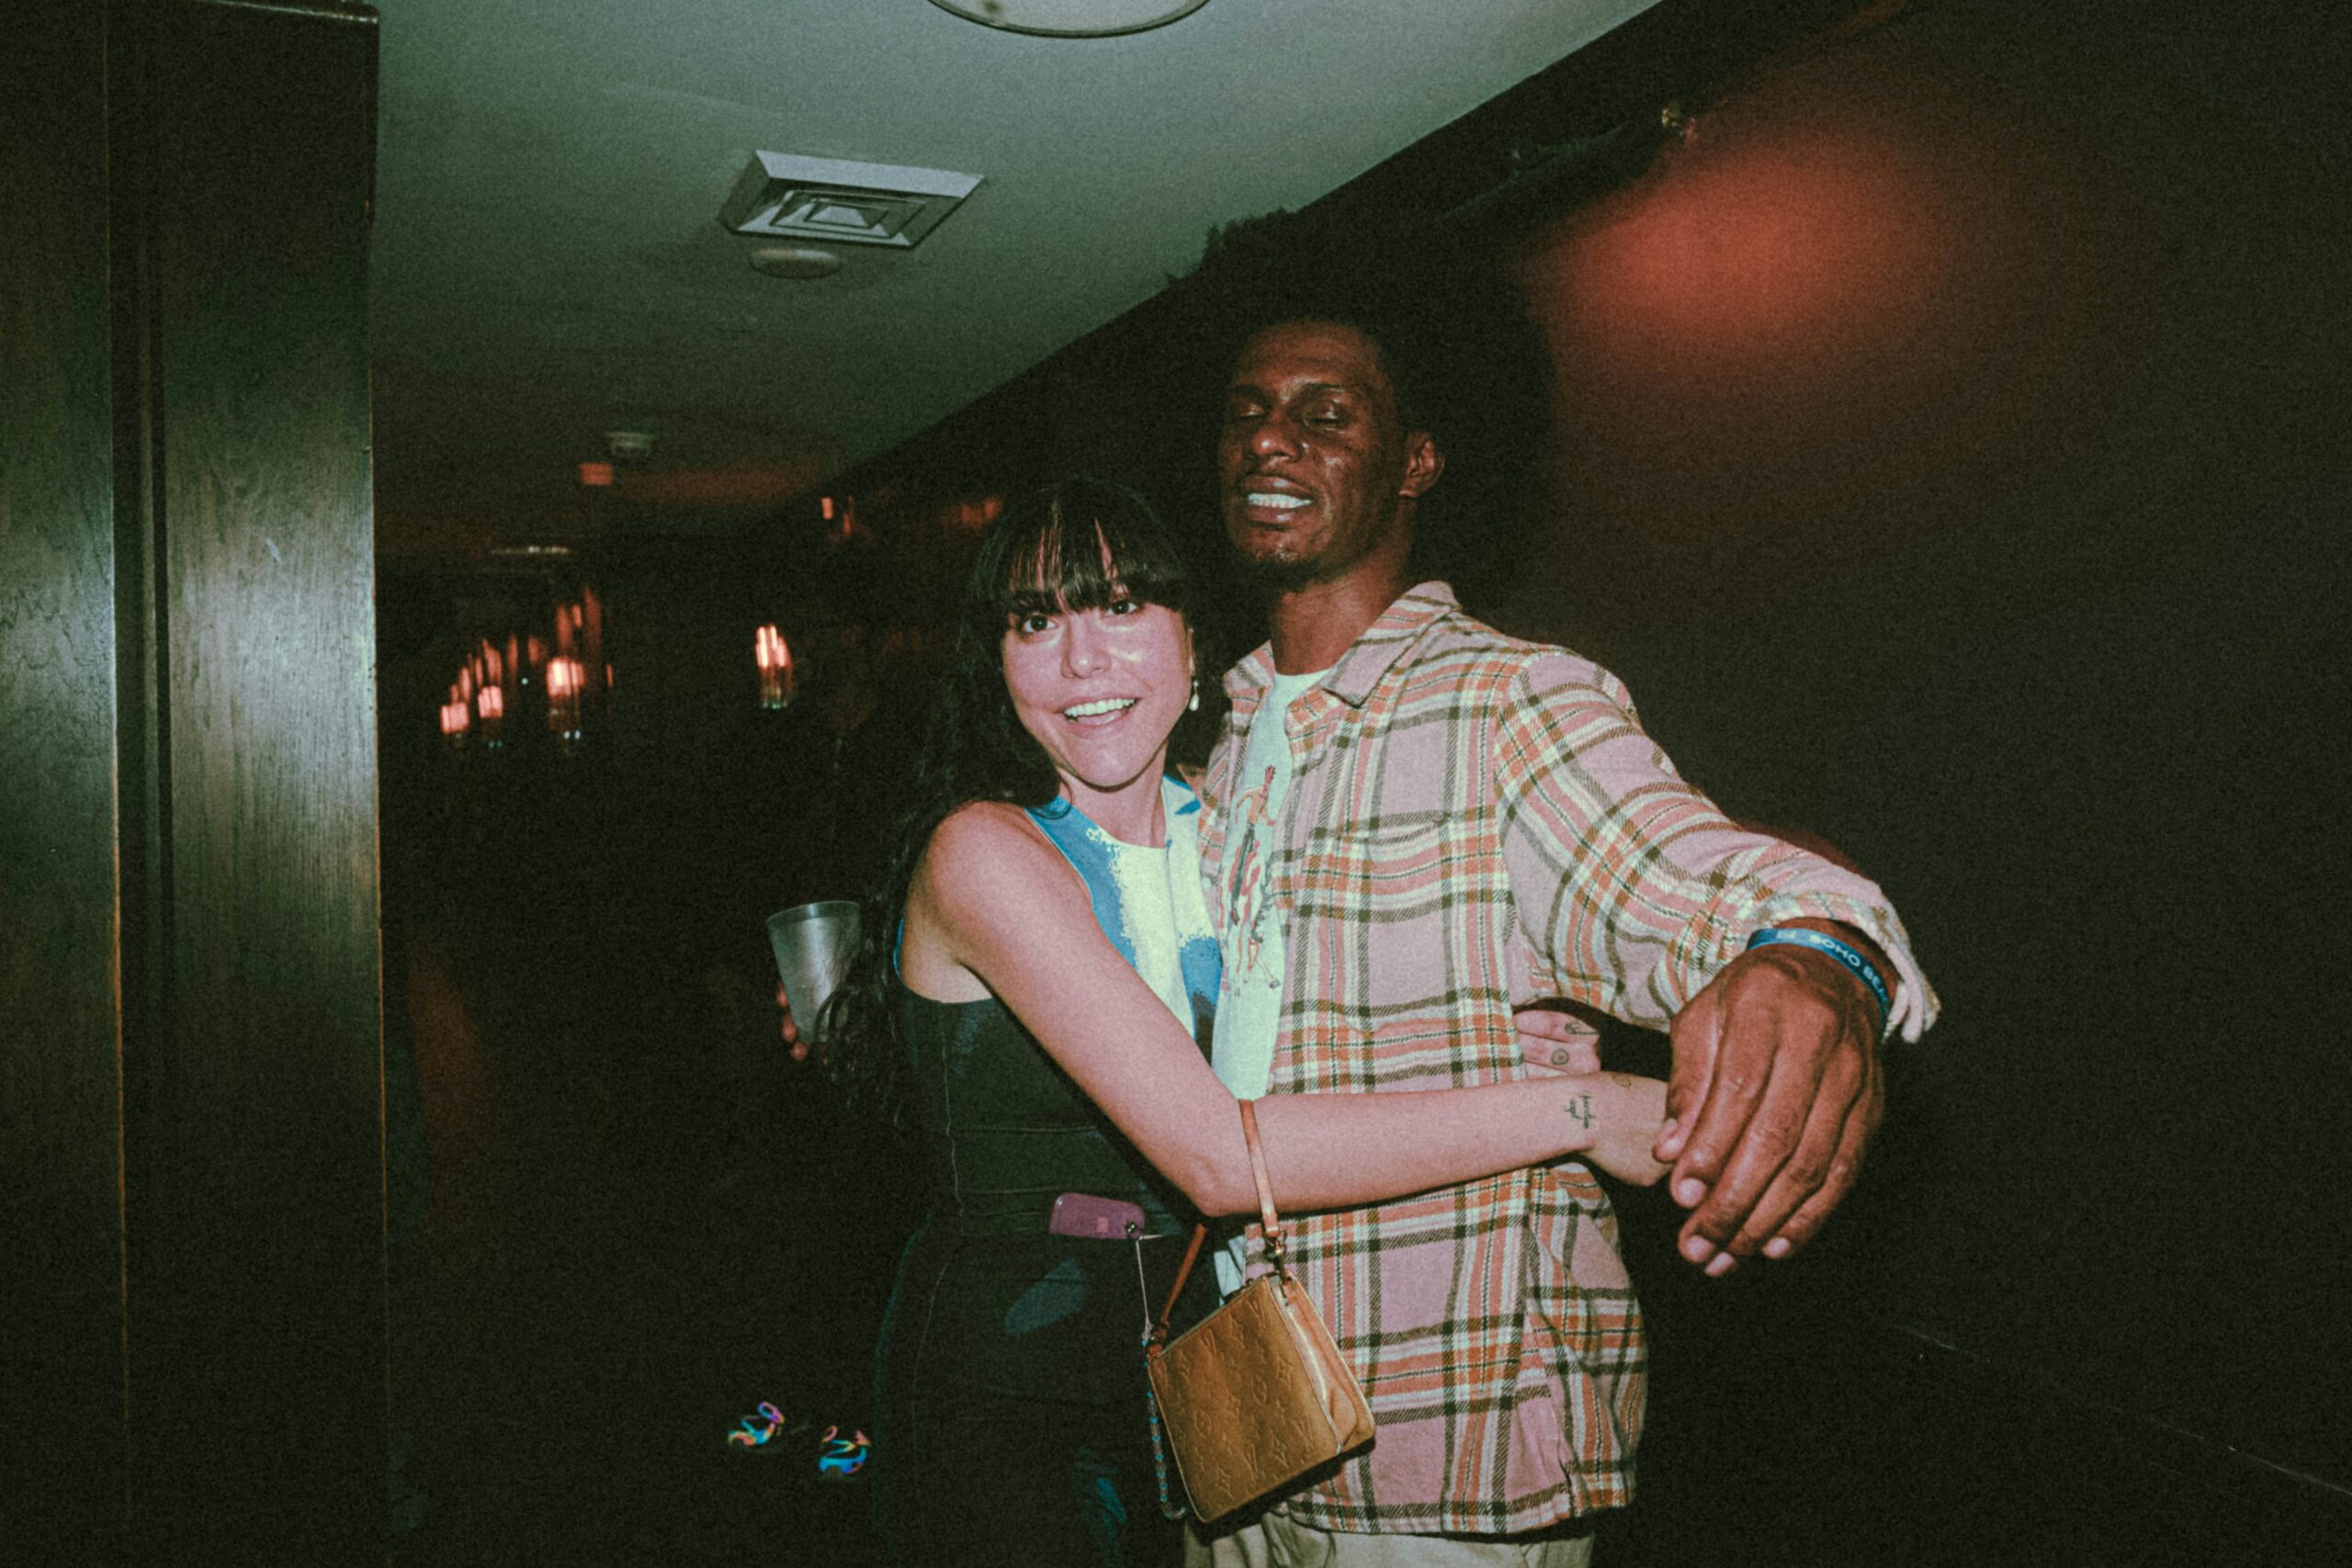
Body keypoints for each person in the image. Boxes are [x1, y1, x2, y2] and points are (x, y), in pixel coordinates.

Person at [1187, 256, 1939, 1564]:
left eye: (1326, 413)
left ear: (1415, 461)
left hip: (1443, 1449)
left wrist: (1818, 958)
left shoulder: (1506, 702)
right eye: (1249, 409)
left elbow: (1686, 876)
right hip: (1243, 1432)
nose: (1271, 437)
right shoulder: (1217, 738)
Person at [814, 477, 1675, 1568]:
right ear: (997, 664)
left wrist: (1520, 1033)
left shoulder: (1228, 819)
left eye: (1120, 606)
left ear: (1191, 640)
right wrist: (1577, 1107)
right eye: (1037, 621)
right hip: (1016, 1395)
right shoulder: (985, 851)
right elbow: (1222, 1157)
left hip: (1194, 1378)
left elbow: (1340, 1025)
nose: (1082, 659)